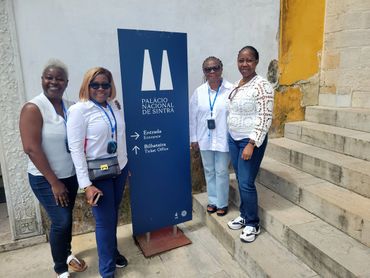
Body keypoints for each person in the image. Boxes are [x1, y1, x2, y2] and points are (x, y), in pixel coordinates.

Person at [19, 59, 87, 278]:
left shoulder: (70, 106)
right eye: (49, 77)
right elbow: (31, 148)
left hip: (70, 175)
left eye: (59, 78)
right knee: (61, 221)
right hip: (45, 178)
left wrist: (113, 106)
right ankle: (60, 268)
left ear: (66, 82)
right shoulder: (33, 108)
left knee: (66, 219)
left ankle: (66, 253)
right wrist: (54, 182)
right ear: (42, 80)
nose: (54, 82)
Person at [67, 67, 129, 278]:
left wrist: (124, 164)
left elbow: (120, 137)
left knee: (112, 216)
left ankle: (112, 251)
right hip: (97, 175)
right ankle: (107, 271)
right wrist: (86, 185)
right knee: (104, 222)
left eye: (105, 84)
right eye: (96, 85)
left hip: (118, 169)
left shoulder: (114, 105)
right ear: (87, 86)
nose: (101, 88)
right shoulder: (79, 110)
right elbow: (75, 149)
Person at [226, 46, 274, 243]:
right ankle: (245, 214)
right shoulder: (238, 84)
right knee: (240, 178)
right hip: (234, 139)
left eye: (249, 60)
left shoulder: (262, 86)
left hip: (249, 141)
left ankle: (253, 223)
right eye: (241, 60)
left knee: (246, 182)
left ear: (256, 62)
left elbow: (265, 117)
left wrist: (252, 143)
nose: (244, 64)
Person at [189, 56, 233, 216]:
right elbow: (192, 117)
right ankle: (212, 200)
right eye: (208, 69)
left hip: (223, 138)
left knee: (221, 170)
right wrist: (193, 138)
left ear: (221, 68)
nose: (212, 71)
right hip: (204, 138)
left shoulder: (231, 90)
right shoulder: (199, 92)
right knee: (208, 170)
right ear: (204, 72)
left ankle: (222, 203)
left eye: (215, 68)